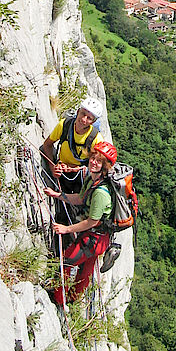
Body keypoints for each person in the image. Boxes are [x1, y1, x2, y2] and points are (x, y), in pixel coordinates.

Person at [44, 141, 117, 305]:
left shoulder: (101, 193)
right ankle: (72, 299)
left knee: (65, 263)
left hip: (94, 239)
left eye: (99, 161)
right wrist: (57, 195)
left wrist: (66, 229)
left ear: (104, 166)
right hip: (98, 238)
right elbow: (80, 198)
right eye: (93, 158)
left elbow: (92, 221)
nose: (93, 162)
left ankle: (59, 301)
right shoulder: (92, 180)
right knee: (85, 270)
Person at [41, 98, 104, 223]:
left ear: (93, 122)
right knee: (62, 210)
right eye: (83, 114)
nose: (84, 119)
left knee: (77, 210)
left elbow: (97, 167)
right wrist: (53, 166)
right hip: (62, 171)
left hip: (81, 177)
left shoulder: (96, 139)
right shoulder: (64, 125)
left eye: (89, 118)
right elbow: (47, 145)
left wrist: (73, 169)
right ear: (78, 111)